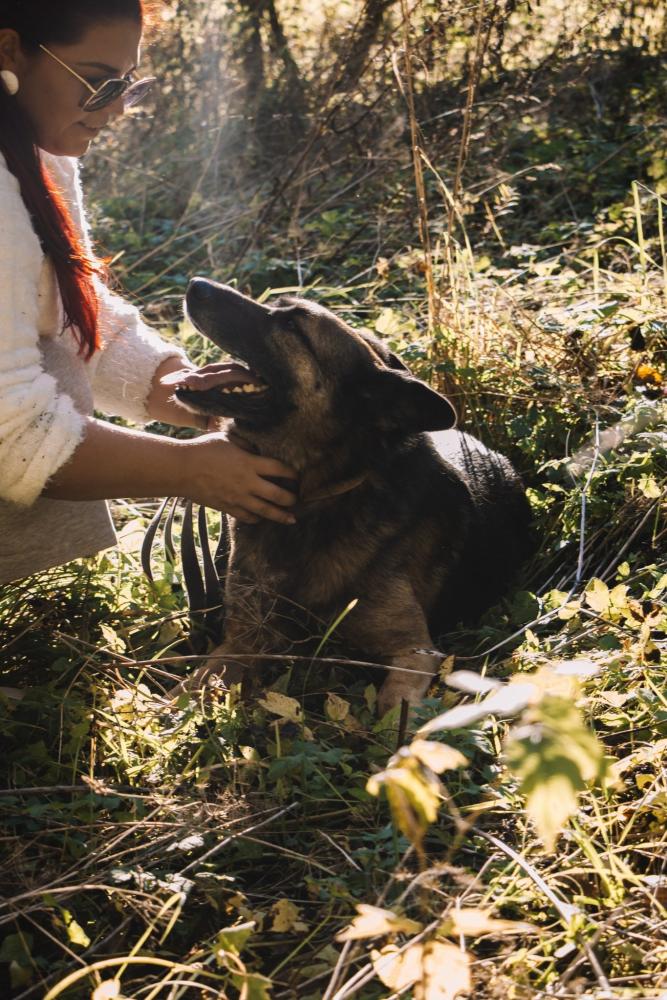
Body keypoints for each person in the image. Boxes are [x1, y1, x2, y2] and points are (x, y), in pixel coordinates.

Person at [0, 0, 297, 585]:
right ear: (10, 51)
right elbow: (9, 430)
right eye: (97, 81)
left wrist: (178, 387)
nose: (115, 110)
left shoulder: (37, 149)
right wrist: (189, 470)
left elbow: (60, 309)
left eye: (126, 84)